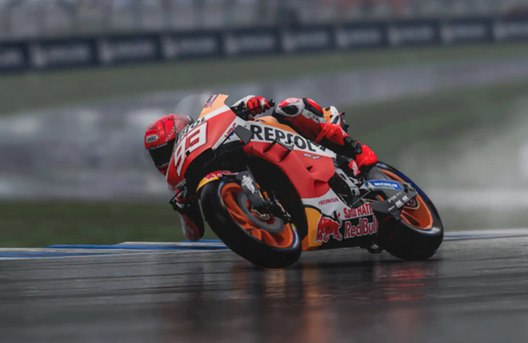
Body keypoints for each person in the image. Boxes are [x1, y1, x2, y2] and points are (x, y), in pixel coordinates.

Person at [143, 95, 379, 241]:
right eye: (159, 155)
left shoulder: (211, 129)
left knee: (289, 107)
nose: (166, 158)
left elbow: (244, 107)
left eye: (168, 149)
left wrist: (249, 104)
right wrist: (184, 208)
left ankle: (355, 149)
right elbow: (194, 235)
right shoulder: (188, 185)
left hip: (275, 140)